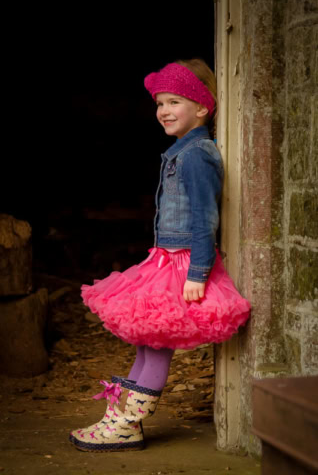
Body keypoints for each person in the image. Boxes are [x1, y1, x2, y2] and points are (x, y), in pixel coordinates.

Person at [69, 58, 251, 452]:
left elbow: (205, 217)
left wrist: (199, 273)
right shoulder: (180, 151)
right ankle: (119, 420)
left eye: (174, 102)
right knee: (147, 342)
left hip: (184, 263)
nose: (163, 111)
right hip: (164, 261)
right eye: (160, 103)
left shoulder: (197, 155)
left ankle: (127, 424)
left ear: (202, 107)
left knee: (157, 345)